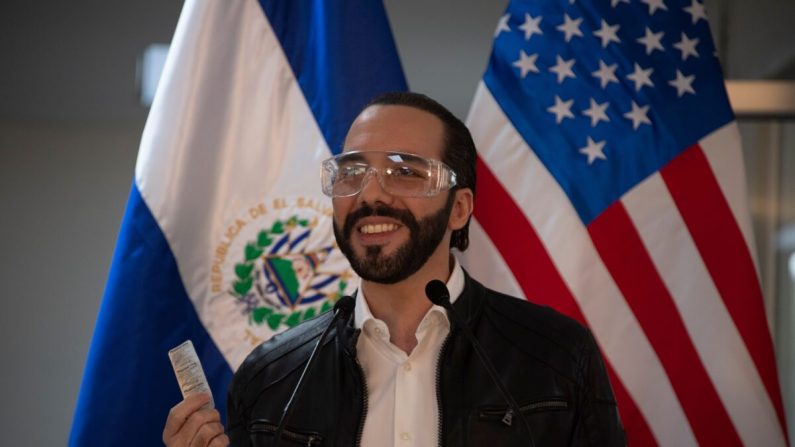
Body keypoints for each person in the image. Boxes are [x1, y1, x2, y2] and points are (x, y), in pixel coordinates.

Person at [163, 92, 626, 446]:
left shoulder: (558, 357)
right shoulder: (271, 378)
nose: (370, 195)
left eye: (405, 172)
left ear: (460, 208)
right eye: (352, 172)